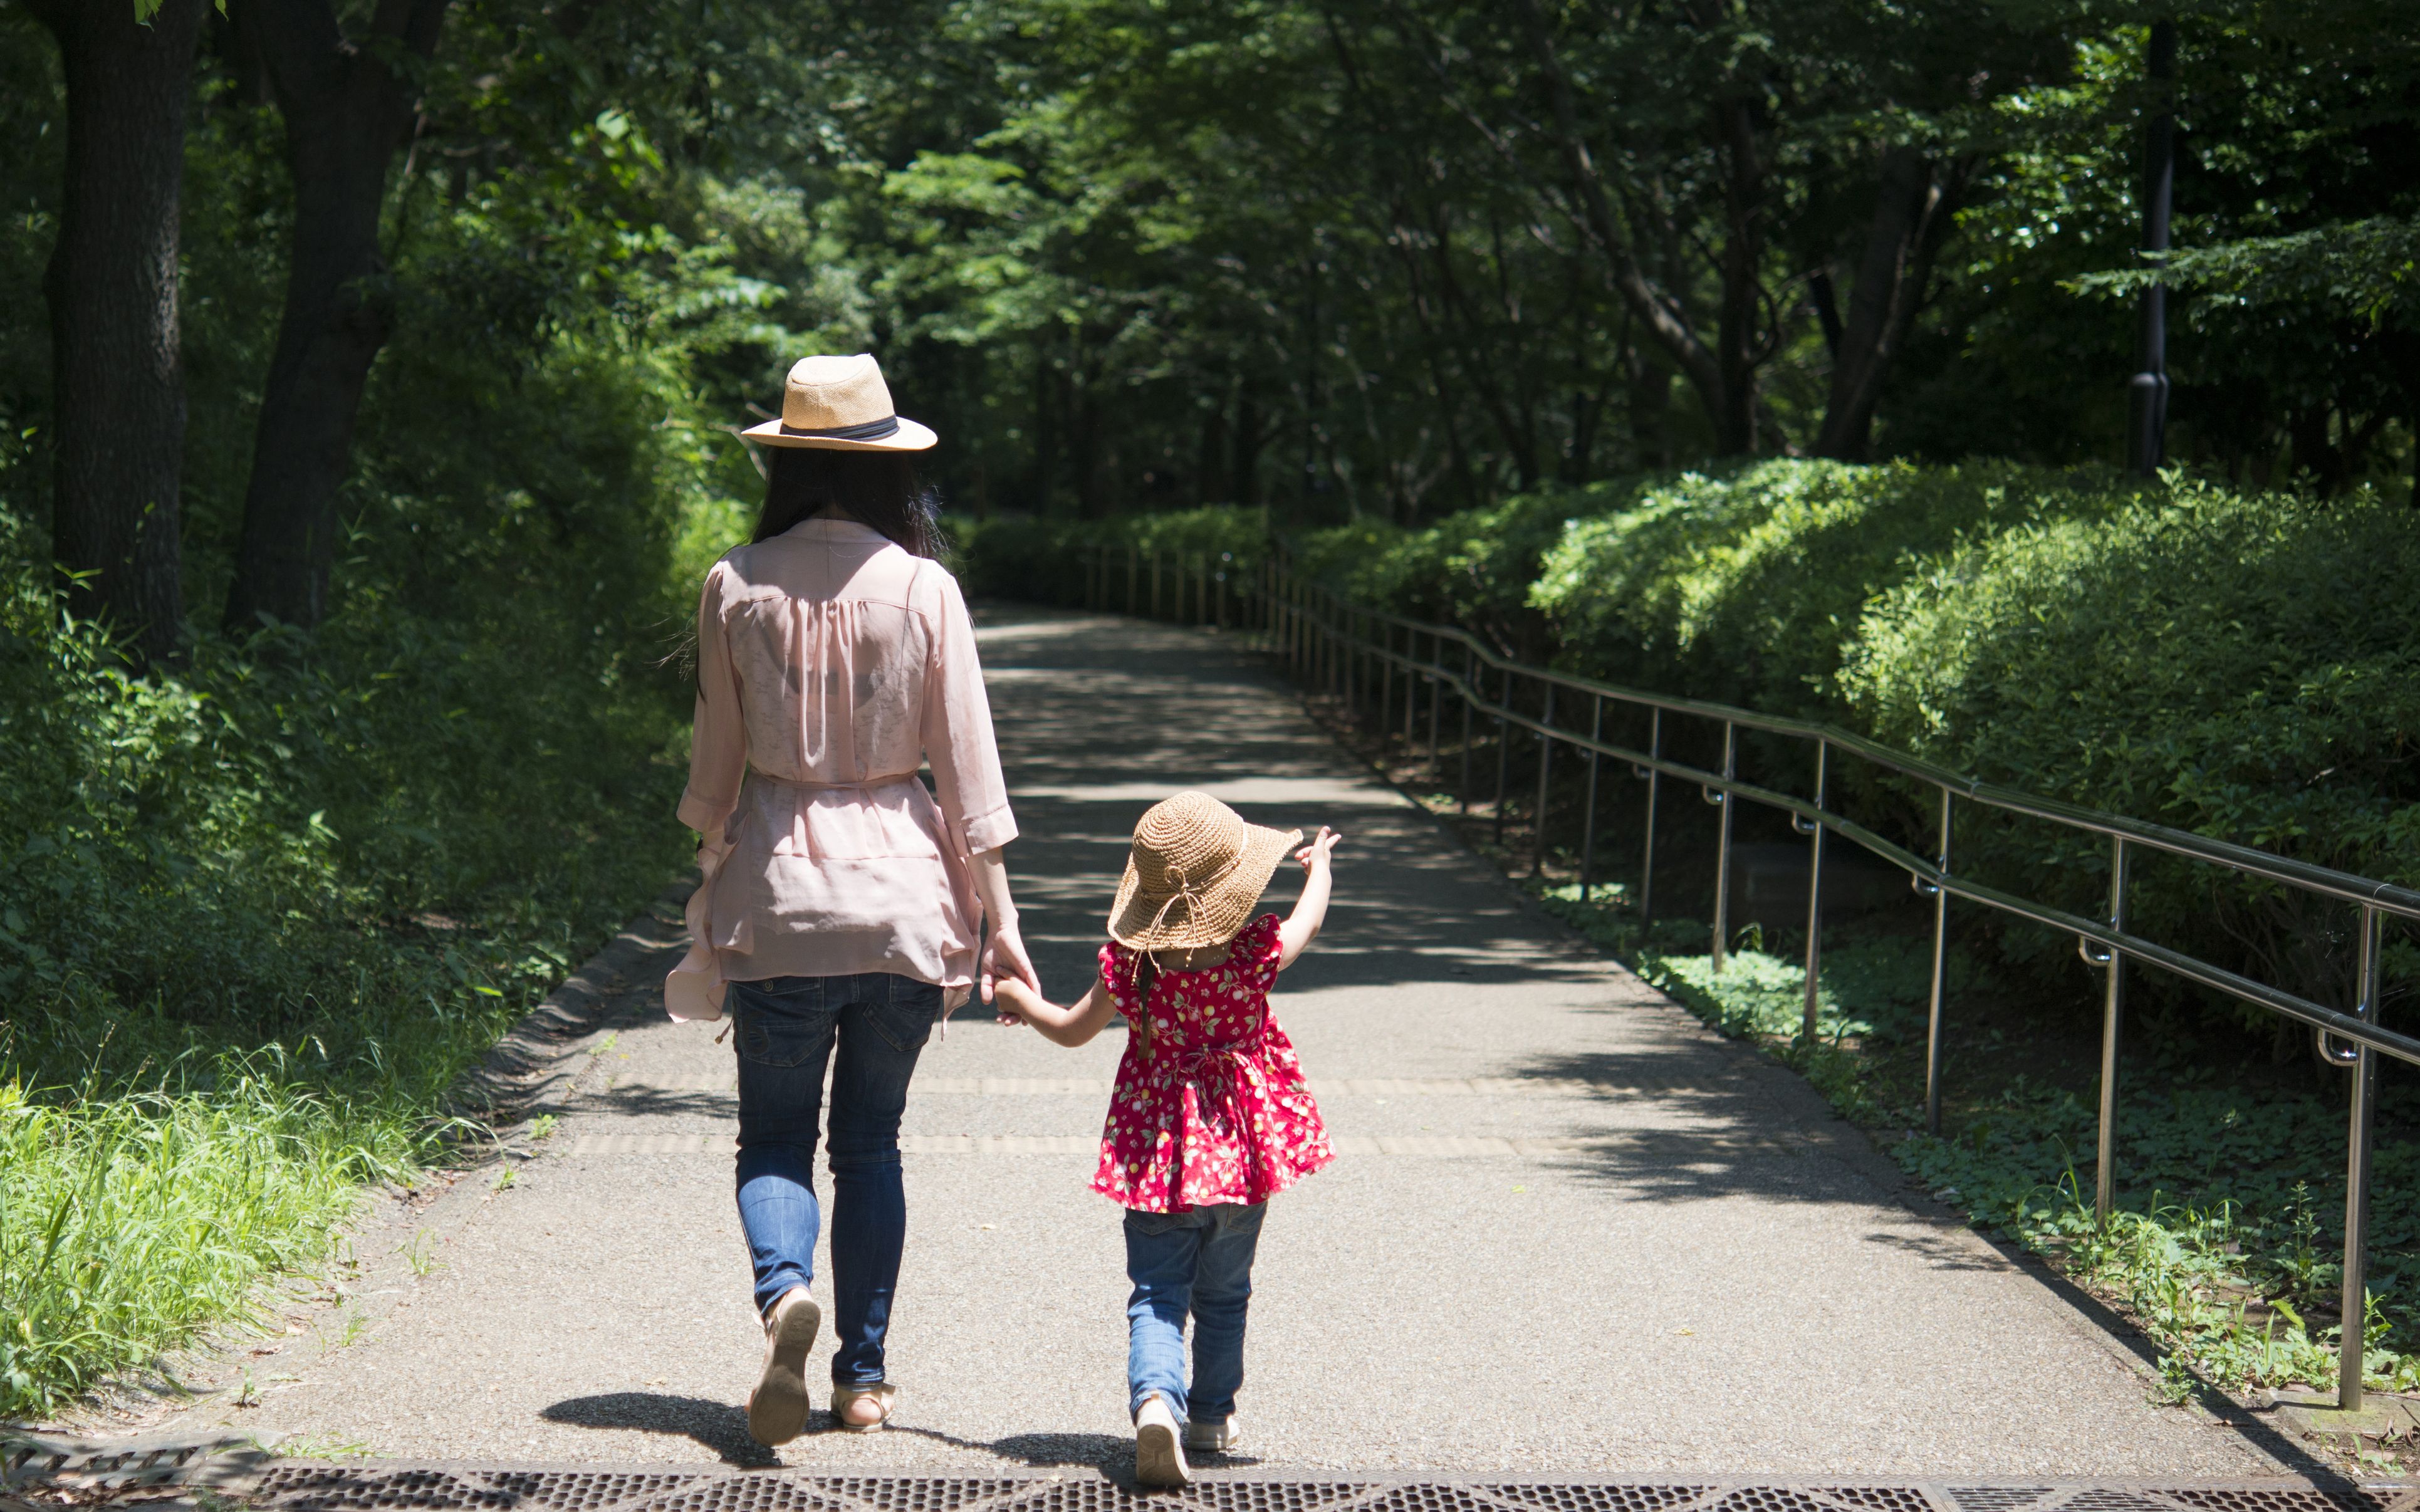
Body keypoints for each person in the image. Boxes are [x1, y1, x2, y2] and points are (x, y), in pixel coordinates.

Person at [666, 352, 1037, 1446]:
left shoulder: (734, 583)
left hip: (777, 898)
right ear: (890, 473)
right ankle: (863, 1379)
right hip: (902, 907)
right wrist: (1000, 925)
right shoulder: (926, 589)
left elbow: (714, 773)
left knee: (775, 1139)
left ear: (784, 461)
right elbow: (971, 777)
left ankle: (785, 1294)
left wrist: (705, 887)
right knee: (871, 1143)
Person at [993, 790, 1341, 1487]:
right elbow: (1307, 921)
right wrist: (1320, 869)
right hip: (1241, 1159)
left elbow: (1069, 1029)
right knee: (1226, 1289)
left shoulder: (1132, 965)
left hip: (1156, 1159)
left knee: (1157, 1291)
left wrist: (1017, 998)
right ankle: (1210, 1415)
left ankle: (1156, 1400)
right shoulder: (1252, 953)